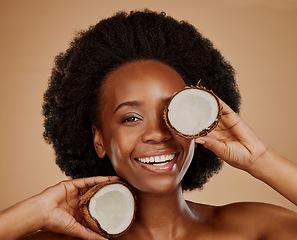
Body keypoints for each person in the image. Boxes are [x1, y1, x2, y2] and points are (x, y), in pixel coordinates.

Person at [0, 10, 296, 240]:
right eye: (130, 118)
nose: (157, 133)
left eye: (172, 112)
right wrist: (33, 213)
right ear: (99, 140)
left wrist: (260, 159)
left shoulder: (254, 229)